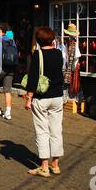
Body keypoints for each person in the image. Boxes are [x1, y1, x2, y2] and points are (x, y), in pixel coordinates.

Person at [24, 27, 64, 178]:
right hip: (57, 97)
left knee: (42, 131)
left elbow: (33, 78)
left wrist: (29, 98)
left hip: (42, 98)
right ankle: (56, 164)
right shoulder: (58, 53)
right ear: (52, 39)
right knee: (56, 129)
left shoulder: (37, 54)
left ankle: (44, 167)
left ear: (38, 40)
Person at [0, 23, 18, 120]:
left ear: (0, 30)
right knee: (7, 90)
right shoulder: (11, 41)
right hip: (10, 68)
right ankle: (8, 112)